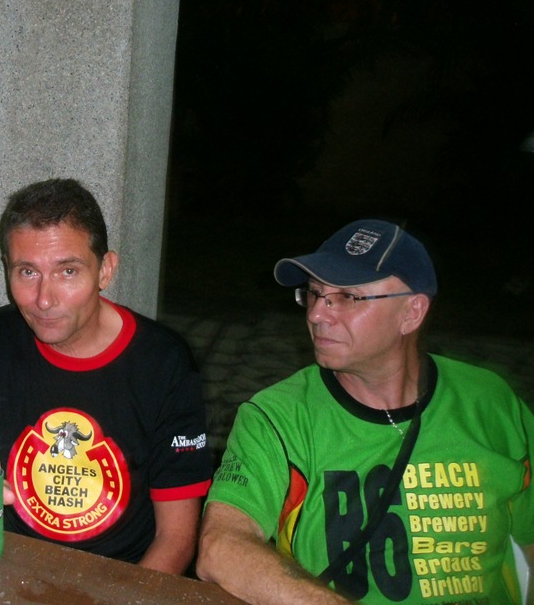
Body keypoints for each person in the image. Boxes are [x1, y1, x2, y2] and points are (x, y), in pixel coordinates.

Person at [197, 219, 534, 604]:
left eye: (348, 297)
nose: (317, 314)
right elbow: (221, 547)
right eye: (314, 293)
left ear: (412, 313)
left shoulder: (491, 403)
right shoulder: (278, 419)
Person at [0, 178, 213, 574]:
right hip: (3, 565)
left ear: (105, 270)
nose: (44, 299)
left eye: (67, 271)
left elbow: (177, 538)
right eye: (27, 272)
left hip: (119, 579)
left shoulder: (164, 362)